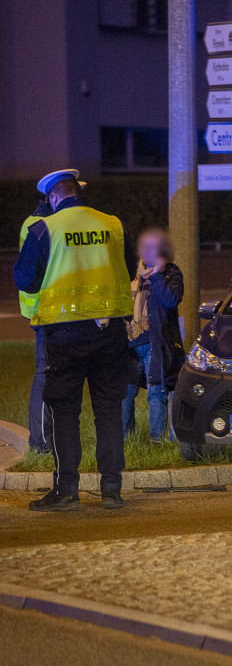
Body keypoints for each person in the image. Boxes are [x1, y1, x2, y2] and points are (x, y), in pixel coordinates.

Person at [13, 169, 133, 511]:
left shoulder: (43, 228)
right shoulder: (113, 224)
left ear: (53, 197)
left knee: (65, 411)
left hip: (64, 334)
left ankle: (67, 490)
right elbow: (126, 267)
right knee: (108, 410)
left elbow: (25, 280)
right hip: (108, 331)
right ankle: (112, 490)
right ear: (77, 191)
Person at [122, 228, 185, 442]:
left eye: (153, 246)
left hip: (156, 343)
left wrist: (158, 274)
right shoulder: (131, 275)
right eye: (144, 245)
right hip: (130, 343)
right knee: (125, 393)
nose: (147, 250)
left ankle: (157, 441)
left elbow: (170, 300)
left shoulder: (171, 273)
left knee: (156, 392)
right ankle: (125, 440)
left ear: (163, 249)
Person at [18, 193, 54, 454]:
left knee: (49, 373)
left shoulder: (37, 222)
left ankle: (45, 440)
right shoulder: (42, 225)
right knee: (45, 374)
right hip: (45, 309)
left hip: (43, 308)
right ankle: (40, 442)